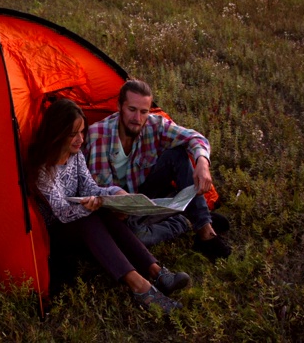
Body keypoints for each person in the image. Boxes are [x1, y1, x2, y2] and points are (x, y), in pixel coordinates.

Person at [25, 98, 190, 314]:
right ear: (57, 133)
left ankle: (156, 271)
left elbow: (90, 187)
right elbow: (62, 214)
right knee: (89, 216)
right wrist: (89, 207)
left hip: (83, 222)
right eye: (73, 134)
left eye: (82, 132)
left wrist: (115, 195)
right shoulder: (43, 170)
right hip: (58, 233)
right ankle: (141, 287)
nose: (80, 139)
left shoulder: (75, 156)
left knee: (103, 212)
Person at [83, 79, 232, 262]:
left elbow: (194, 137)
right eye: (132, 110)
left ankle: (205, 233)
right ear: (119, 106)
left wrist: (202, 162)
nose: (137, 118)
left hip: (145, 191)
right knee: (135, 238)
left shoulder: (155, 125)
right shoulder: (98, 135)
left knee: (177, 154)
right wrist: (117, 206)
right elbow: (97, 188)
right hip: (117, 206)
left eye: (143, 112)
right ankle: (186, 220)